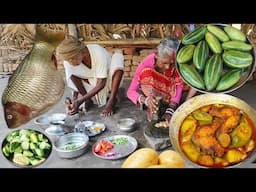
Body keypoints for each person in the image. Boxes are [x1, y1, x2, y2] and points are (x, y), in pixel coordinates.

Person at [127, 37, 196, 122]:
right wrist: (146, 100)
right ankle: (152, 104)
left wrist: (170, 110)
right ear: (156, 55)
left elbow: (178, 87)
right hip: (153, 94)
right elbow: (130, 92)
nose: (167, 67)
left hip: (170, 93)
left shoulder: (177, 64)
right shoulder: (146, 63)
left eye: (172, 63)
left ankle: (169, 105)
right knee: (146, 73)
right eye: (164, 63)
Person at [56, 35, 124, 117]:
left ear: (79, 52)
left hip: (110, 81)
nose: (71, 63)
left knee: (118, 58)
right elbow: (72, 78)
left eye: (72, 59)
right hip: (92, 83)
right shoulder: (69, 60)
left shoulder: (97, 51)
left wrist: (80, 101)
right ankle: (88, 100)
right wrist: (75, 100)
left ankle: (112, 99)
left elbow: (102, 83)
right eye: (68, 60)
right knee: (71, 74)